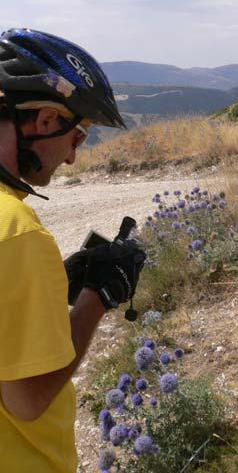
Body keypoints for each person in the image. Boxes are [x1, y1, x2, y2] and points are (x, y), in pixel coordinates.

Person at [0, 29, 145, 472]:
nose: (71, 159)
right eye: (78, 138)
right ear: (45, 121)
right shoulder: (18, 232)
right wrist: (97, 297)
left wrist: (50, 286)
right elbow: (28, 397)